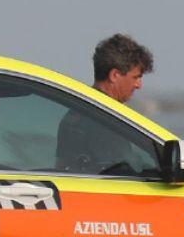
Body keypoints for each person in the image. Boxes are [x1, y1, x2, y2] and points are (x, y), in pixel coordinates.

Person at [56, 33, 155, 173]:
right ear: (114, 75)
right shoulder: (105, 121)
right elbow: (121, 173)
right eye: (136, 77)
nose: (139, 85)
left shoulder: (78, 111)